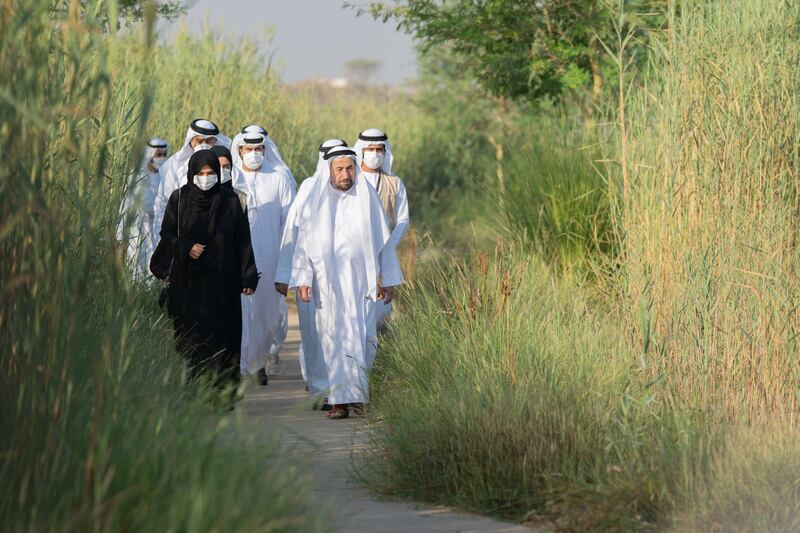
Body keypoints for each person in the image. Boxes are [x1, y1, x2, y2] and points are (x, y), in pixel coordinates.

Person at [289, 145, 403, 420]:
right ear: (329, 170)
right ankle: (339, 401)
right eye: (339, 169)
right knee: (332, 340)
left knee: (363, 338)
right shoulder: (315, 201)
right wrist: (303, 277)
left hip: (361, 284)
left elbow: (384, 244)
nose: (345, 174)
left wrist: (387, 279)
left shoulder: (367, 198)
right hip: (326, 286)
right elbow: (303, 244)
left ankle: (360, 398)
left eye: (349, 168)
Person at [149, 149, 259, 396]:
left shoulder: (230, 201)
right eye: (201, 173)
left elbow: (243, 240)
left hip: (223, 284)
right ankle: (194, 392)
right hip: (188, 285)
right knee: (191, 340)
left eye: (211, 173)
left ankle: (223, 394)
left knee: (225, 338)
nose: (206, 177)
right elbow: (167, 235)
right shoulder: (179, 199)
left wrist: (248, 275)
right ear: (192, 173)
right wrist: (186, 247)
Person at [275, 138, 347, 404]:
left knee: (343, 334)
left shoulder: (354, 193)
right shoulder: (307, 188)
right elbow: (292, 234)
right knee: (313, 335)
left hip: (345, 278)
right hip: (312, 278)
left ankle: (344, 390)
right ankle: (319, 390)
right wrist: (285, 275)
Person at [233, 130, 295, 385]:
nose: (254, 154)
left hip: (270, 254)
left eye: (258, 148)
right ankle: (241, 364)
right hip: (239, 255)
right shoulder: (232, 178)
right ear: (239, 151)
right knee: (241, 310)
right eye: (248, 149)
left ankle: (259, 363)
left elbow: (290, 221)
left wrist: (285, 261)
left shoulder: (279, 177)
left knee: (267, 312)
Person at [354, 128, 410, 368]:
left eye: (379, 150)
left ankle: (376, 371)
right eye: (370, 150)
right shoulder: (351, 181)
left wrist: (386, 247)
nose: (375, 154)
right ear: (361, 151)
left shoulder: (394, 183)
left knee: (380, 317)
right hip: (356, 256)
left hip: (384, 258)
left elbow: (403, 220)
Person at [153, 118, 230, 237]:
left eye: (209, 141)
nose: (204, 145)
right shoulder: (173, 166)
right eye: (199, 141)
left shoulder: (224, 164)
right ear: (190, 141)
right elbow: (163, 204)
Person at [117, 137, 168, 280]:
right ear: (150, 154)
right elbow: (147, 205)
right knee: (140, 264)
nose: (162, 158)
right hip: (139, 229)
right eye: (158, 154)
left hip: (156, 229)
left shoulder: (161, 175)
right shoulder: (138, 176)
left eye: (164, 154)